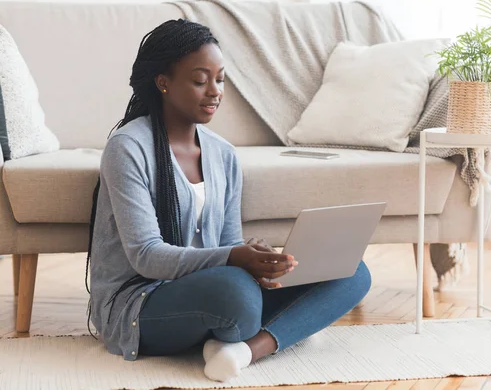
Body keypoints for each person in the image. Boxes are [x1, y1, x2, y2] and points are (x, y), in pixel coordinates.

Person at [86, 19, 371, 382]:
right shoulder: (127, 148)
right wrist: (235, 258)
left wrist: (257, 258)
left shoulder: (223, 154)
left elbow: (228, 244)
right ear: (163, 83)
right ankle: (265, 328)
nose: (215, 91)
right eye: (200, 79)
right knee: (237, 298)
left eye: (220, 79)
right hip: (143, 302)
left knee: (350, 270)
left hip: (214, 287)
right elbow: (147, 256)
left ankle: (243, 350)